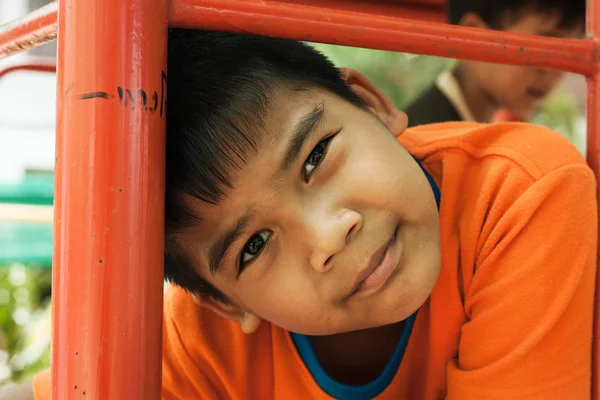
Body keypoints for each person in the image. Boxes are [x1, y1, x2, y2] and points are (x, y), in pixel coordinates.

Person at [4, 28, 597, 400]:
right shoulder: (198, 337)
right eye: (254, 246)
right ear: (224, 300)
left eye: (315, 156)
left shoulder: (517, 192)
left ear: (370, 102)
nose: (327, 238)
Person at [405, 0, 585, 127]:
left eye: (570, 51)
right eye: (545, 45)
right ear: (473, 35)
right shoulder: (427, 134)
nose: (556, 69)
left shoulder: (457, 122)